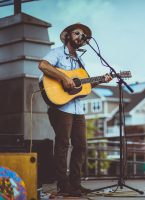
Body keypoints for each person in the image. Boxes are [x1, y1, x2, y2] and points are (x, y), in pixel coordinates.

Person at [38, 23, 112, 197]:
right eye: (77, 33)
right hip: (61, 107)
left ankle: (75, 184)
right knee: (63, 145)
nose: (80, 36)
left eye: (83, 35)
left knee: (81, 145)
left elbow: (83, 86)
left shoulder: (80, 61)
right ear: (68, 36)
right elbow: (43, 65)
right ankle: (63, 186)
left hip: (78, 109)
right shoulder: (57, 52)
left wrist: (102, 79)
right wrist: (63, 77)